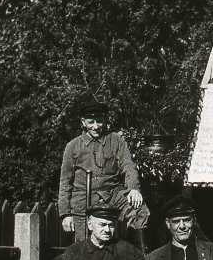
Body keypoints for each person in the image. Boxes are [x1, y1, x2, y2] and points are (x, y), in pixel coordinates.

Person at [58, 98, 149, 242]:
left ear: (105, 120)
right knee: (85, 244)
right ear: (83, 122)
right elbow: (65, 182)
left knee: (139, 210)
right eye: (90, 122)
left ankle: (140, 259)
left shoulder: (116, 141)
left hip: (112, 194)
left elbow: (128, 166)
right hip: (83, 201)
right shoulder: (73, 146)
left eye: (99, 121)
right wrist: (65, 214)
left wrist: (134, 189)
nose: (95, 126)